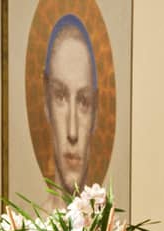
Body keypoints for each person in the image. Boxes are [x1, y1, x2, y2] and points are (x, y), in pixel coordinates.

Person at [43, 15, 98, 192]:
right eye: (60, 96)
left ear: (95, 113)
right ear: (46, 102)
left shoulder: (110, 219)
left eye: (84, 101)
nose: (72, 132)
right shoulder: (29, 220)